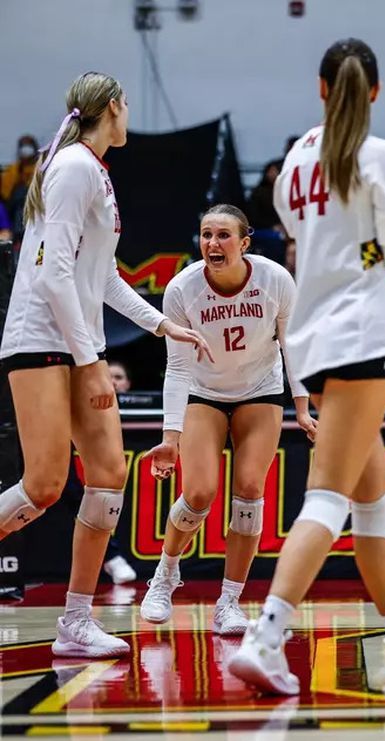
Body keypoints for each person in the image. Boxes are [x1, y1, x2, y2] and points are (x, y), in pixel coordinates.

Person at [229, 39, 385, 694]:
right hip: (364, 335)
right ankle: (266, 634)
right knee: (330, 497)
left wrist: (369, 244)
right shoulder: (379, 154)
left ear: (320, 88)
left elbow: (321, 245)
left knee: (375, 501)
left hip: (313, 340)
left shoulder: (290, 167)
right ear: (375, 92)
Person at [0, 72, 211, 658]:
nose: (128, 115)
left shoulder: (92, 170)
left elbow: (101, 277)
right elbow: (52, 274)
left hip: (76, 342)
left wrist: (159, 323)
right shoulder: (72, 167)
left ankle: (76, 620)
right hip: (41, 340)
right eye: (125, 106)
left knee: (108, 476)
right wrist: (92, 361)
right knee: (43, 484)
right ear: (112, 108)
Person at [140, 205, 317, 633]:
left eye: (222, 235)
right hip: (204, 391)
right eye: (205, 235)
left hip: (260, 389)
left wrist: (302, 405)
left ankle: (230, 602)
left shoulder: (275, 279)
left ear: (244, 242)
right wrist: (170, 436)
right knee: (199, 492)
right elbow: (178, 368)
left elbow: (292, 343)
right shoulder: (182, 289)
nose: (213, 244)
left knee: (251, 491)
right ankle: (165, 574)